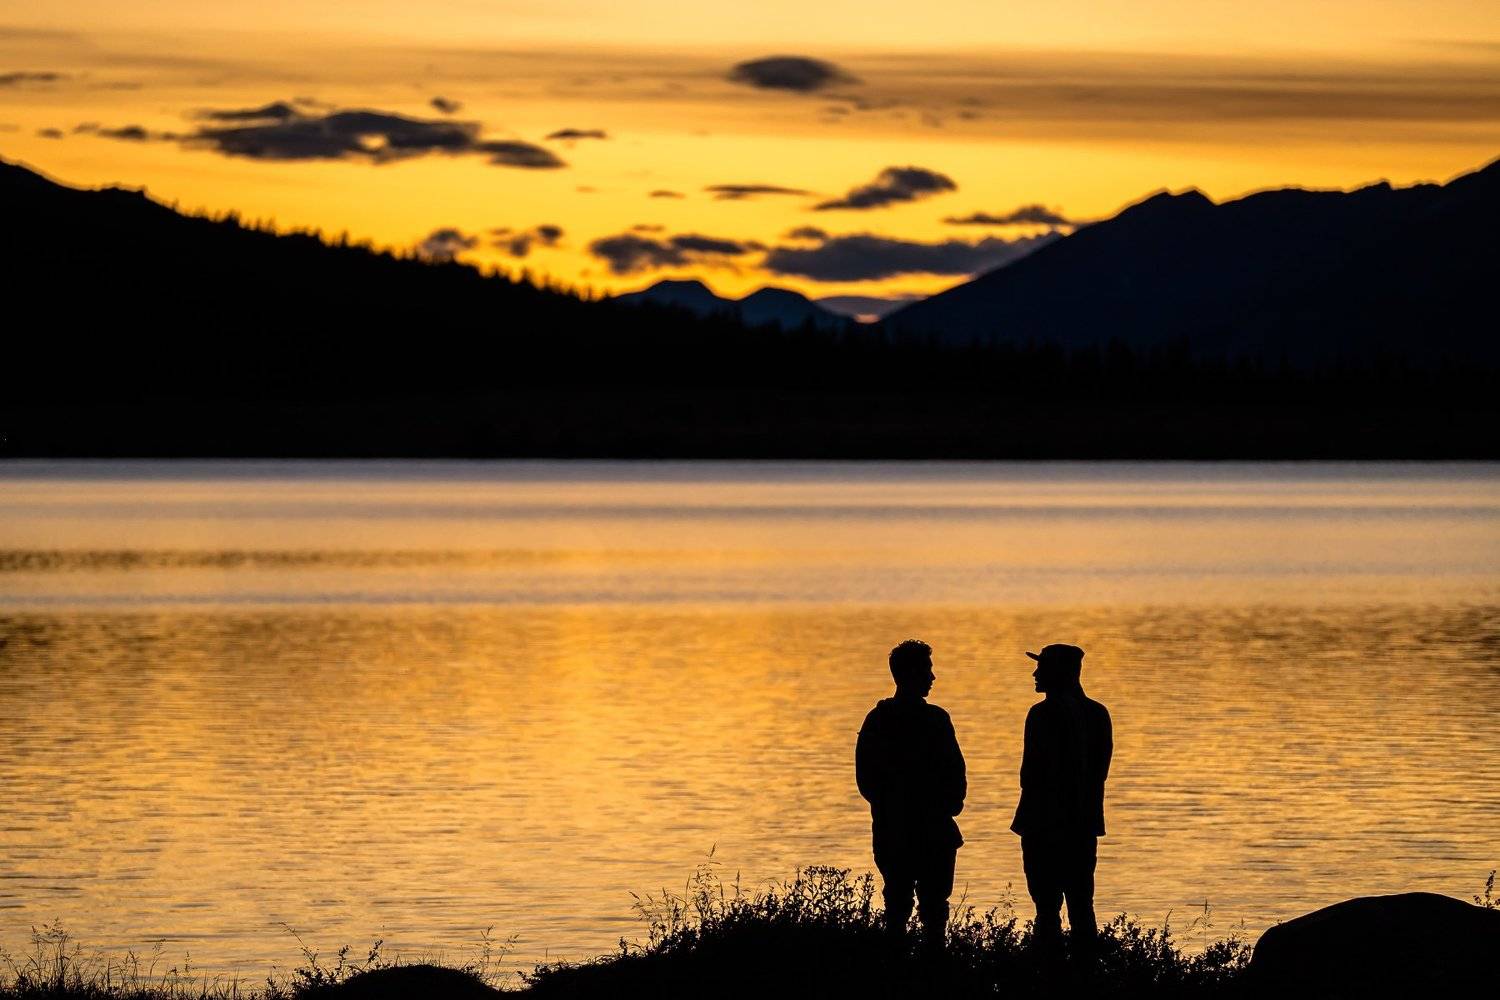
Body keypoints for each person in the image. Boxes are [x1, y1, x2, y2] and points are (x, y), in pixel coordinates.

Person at [856, 639, 967, 955]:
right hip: (921, 830)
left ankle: (904, 963)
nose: (933, 678)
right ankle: (927, 964)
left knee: (903, 901)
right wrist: (941, 806)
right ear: (909, 674)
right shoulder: (932, 719)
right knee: (925, 904)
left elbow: (867, 782)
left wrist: (893, 808)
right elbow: (954, 773)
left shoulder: (880, 720)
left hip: (899, 829)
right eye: (927, 670)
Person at [1010, 643, 1112, 959]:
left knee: (1046, 911)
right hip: (1083, 827)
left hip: (1043, 827)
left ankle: (1047, 973)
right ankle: (1087, 974)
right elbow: (1100, 771)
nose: (1035, 673)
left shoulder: (1042, 714)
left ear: (1059, 673)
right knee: (1083, 907)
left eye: (1042, 668)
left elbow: (1031, 775)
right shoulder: (1098, 714)